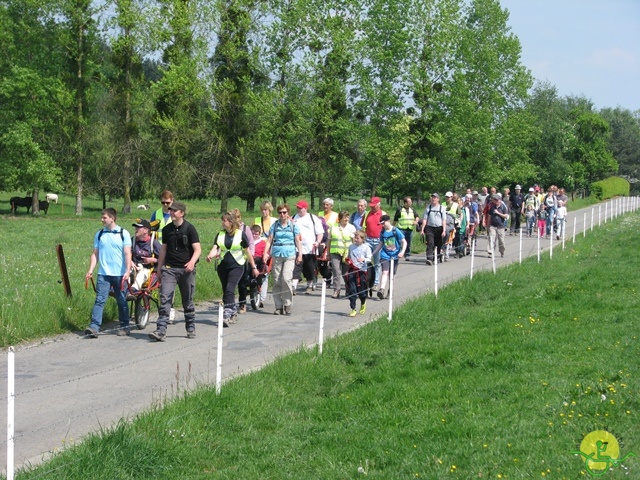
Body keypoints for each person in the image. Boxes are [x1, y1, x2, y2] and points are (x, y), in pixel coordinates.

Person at [149, 201, 201, 342]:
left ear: (182, 213)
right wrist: (159, 268)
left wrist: (191, 262)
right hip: (169, 269)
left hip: (186, 270)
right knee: (165, 298)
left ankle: (190, 326)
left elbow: (197, 249)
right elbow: (163, 250)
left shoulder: (190, 229)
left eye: (174, 211)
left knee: (187, 300)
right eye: (171, 210)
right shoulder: (167, 230)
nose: (171, 212)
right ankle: (161, 330)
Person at [84, 208, 132, 338]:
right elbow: (95, 254)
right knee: (100, 300)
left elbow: (128, 253)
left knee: (121, 300)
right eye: (102, 217)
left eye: (104, 217)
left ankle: (125, 326)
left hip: (120, 274)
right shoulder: (99, 234)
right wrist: (90, 270)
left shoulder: (123, 233)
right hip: (103, 274)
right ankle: (94, 327)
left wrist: (127, 271)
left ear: (112, 218)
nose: (102, 220)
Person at [206, 212, 259, 326]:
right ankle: (233, 312)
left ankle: (227, 313)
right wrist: (210, 255)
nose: (222, 223)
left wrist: (253, 267)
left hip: (237, 265)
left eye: (224, 221)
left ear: (230, 222)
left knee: (230, 288)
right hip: (223, 265)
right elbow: (215, 247)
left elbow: (247, 252)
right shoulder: (220, 234)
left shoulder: (241, 234)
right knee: (226, 290)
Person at [263, 204, 303, 315]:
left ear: (288, 213)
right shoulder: (275, 226)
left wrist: (300, 254)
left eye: (284, 212)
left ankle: (287, 303)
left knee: (286, 278)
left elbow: (298, 241)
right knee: (276, 280)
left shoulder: (293, 226)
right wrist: (265, 253)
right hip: (277, 254)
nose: (282, 214)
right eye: (280, 212)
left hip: (289, 254)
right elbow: (269, 240)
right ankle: (278, 306)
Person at [149, 190, 176, 322]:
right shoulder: (156, 214)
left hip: (171, 251)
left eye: (168, 202)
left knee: (169, 281)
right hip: (158, 250)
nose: (165, 205)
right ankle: (159, 307)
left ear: (172, 201)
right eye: (163, 202)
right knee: (156, 279)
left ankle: (170, 308)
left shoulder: (176, 214)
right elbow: (150, 231)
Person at [292, 200, 325, 294]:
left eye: (300, 208)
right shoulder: (294, 218)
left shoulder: (313, 218)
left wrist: (318, 242)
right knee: (296, 266)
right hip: (297, 247)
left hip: (310, 248)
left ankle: (310, 284)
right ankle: (293, 286)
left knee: (309, 267)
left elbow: (320, 232)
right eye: (297, 207)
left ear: (305, 208)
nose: (298, 209)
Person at [373, 215, 406, 299]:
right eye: (381, 224)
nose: (382, 225)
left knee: (391, 275)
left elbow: (404, 242)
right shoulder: (382, 232)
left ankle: (390, 290)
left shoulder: (395, 230)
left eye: (383, 223)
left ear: (388, 221)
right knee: (385, 271)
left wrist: (402, 252)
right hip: (385, 255)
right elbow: (381, 243)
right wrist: (373, 253)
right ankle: (382, 289)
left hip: (395, 255)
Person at [328, 211, 356, 298]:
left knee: (346, 272)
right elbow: (329, 240)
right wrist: (328, 253)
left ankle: (348, 289)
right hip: (335, 252)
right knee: (336, 271)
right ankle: (336, 290)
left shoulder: (351, 227)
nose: (347, 219)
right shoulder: (333, 227)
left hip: (347, 253)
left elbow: (354, 241)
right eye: (345, 217)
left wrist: (354, 254)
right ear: (340, 218)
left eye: (348, 217)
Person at [345, 230, 372, 317]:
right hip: (352, 270)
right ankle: (353, 309)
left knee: (362, 292)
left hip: (362, 271)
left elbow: (369, 258)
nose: (355, 239)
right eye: (355, 238)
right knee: (352, 290)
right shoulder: (351, 246)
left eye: (357, 238)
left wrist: (364, 259)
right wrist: (347, 261)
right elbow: (349, 257)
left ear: (363, 239)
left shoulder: (366, 247)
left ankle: (363, 302)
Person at [130, 219, 161, 291]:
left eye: (138, 228)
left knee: (141, 275)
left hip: (148, 269)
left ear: (145, 230)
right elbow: (126, 254)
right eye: (136, 227)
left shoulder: (154, 243)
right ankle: (121, 289)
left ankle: (133, 289)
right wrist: (130, 261)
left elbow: (165, 259)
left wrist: (153, 260)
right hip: (134, 267)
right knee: (127, 272)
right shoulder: (132, 240)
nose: (136, 229)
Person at [364, 196, 386, 291]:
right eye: (371, 206)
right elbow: (364, 227)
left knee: (377, 263)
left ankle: (376, 283)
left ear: (378, 205)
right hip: (368, 240)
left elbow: (387, 228)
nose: (372, 208)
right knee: (365, 260)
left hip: (378, 241)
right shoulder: (368, 214)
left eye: (374, 206)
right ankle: (366, 280)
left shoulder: (383, 214)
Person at [420, 193, 447, 266]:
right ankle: (429, 258)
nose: (433, 199)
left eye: (435, 197)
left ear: (438, 199)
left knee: (438, 244)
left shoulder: (442, 208)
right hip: (430, 228)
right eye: (432, 197)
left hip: (439, 228)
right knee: (430, 243)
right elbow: (425, 219)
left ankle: (436, 256)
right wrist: (422, 229)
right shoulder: (428, 208)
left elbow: (444, 220)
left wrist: (444, 230)